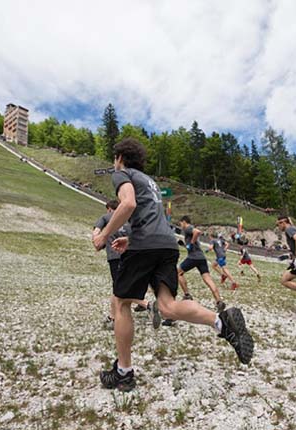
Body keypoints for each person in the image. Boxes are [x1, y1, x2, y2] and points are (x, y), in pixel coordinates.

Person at [92, 138, 253, 391]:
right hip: (166, 244)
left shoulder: (121, 174)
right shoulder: (150, 182)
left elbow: (129, 204)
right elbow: (149, 214)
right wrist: (130, 237)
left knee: (121, 302)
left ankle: (123, 372)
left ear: (120, 158)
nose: (115, 163)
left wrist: (103, 235)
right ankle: (222, 322)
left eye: (115, 159)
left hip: (145, 246)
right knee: (167, 306)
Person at [92, 200, 159, 330]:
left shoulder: (106, 217)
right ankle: (113, 318)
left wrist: (96, 241)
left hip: (115, 257)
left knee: (120, 289)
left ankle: (147, 305)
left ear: (110, 209)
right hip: (132, 257)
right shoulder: (130, 219)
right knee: (119, 288)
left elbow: (96, 231)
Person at [176, 216, 227, 313]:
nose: (181, 226)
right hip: (201, 258)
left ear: (184, 222)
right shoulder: (188, 230)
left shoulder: (188, 228)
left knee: (178, 273)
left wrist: (191, 243)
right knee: (208, 279)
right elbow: (192, 246)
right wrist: (185, 245)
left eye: (180, 224)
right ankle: (219, 301)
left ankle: (187, 295)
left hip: (193, 258)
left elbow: (197, 232)